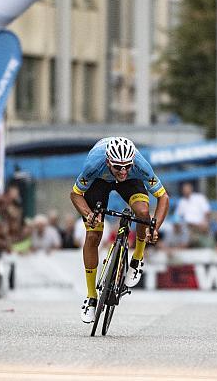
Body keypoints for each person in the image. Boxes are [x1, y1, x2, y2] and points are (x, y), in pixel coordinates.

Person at [69, 137, 169, 323]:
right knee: (93, 235)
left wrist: (154, 227)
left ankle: (137, 258)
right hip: (99, 181)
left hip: (132, 183)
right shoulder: (94, 164)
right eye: (118, 167)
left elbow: (163, 198)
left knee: (143, 213)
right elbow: (75, 194)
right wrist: (88, 214)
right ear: (108, 162)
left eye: (127, 166)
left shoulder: (139, 165)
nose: (123, 171)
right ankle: (91, 297)